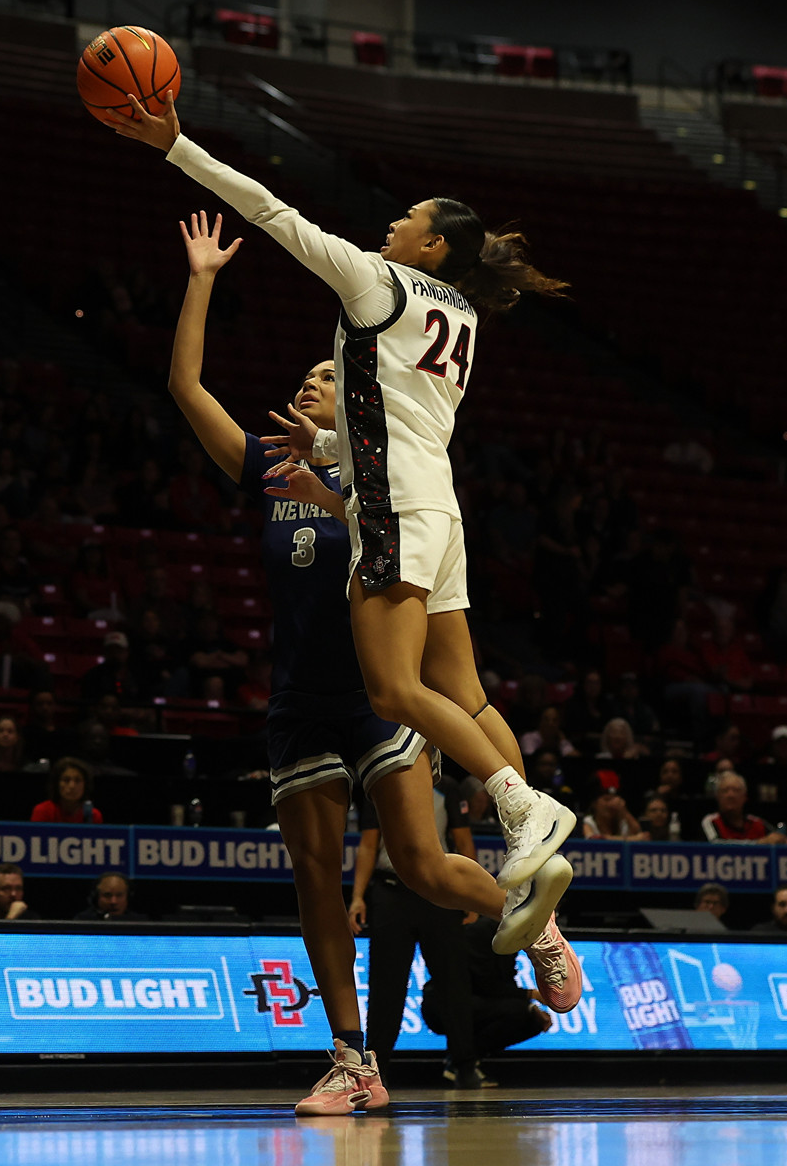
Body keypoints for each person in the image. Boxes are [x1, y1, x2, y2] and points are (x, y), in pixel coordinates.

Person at [113, 102, 579, 914]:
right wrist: (331, 449)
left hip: (393, 505)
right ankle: (530, 843)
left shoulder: (377, 280)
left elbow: (270, 211)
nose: (392, 224)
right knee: (466, 695)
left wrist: (176, 145)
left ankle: (522, 806)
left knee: (394, 692)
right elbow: (405, 417)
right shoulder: (464, 314)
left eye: (409, 218)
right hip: (438, 506)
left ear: (432, 245)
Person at [161, 210, 578, 1114]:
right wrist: (201, 279)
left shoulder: (376, 477)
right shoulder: (270, 469)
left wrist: (337, 491)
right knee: (315, 881)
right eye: (307, 377)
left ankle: (538, 926)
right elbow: (185, 386)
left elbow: (384, 520)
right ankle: (355, 1064)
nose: (316, 382)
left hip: (374, 701)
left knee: (423, 867)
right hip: (299, 699)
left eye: (328, 374)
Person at [350, 778, 482, 1088]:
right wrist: (357, 896)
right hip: (391, 892)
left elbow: (463, 843)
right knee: (385, 988)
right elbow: (369, 844)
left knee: (454, 983)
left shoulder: (448, 788)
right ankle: (377, 1068)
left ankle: (465, 1065)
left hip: (439, 893)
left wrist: (470, 895)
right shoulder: (379, 782)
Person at [420, 918, 551, 1086]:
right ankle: (461, 1061)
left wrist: (530, 1006)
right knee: (520, 1012)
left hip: (476, 1002)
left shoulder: (509, 935)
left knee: (533, 1020)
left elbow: (503, 982)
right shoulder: (481, 931)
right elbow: (484, 984)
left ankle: (463, 1062)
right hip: (444, 1005)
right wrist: (530, 996)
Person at [701, 773, 781, 843]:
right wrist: (758, 843)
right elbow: (715, 844)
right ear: (717, 796)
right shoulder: (711, 822)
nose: (731, 795)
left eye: (736, 790)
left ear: (745, 797)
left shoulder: (757, 824)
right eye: (725, 790)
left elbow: (778, 838)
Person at [30, 757, 102, 824]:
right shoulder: (43, 811)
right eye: (66, 780)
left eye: (77, 780)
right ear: (56, 783)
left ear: (85, 785)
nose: (72, 786)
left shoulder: (93, 815)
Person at [74, 873, 146, 922]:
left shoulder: (140, 922)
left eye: (119, 895)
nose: (113, 901)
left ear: (128, 897)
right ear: (96, 897)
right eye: (107, 895)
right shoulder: (82, 921)